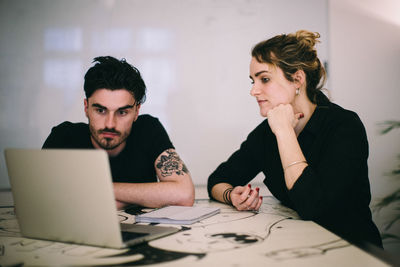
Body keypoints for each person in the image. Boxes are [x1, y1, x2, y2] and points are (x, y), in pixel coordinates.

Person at [207, 30, 382, 248]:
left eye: (265, 79)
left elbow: (312, 206)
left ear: (297, 79)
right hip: (298, 246)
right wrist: (231, 194)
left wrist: (284, 133)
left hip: (353, 250)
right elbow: (217, 179)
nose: (253, 90)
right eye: (253, 80)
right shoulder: (266, 132)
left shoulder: (344, 126)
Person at [43, 56, 194, 210]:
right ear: (86, 107)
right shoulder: (64, 137)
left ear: (136, 111)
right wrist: (144, 198)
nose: (110, 124)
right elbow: (41, 201)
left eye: (122, 112)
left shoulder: (148, 129)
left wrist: (98, 190)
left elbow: (183, 195)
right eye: (100, 110)